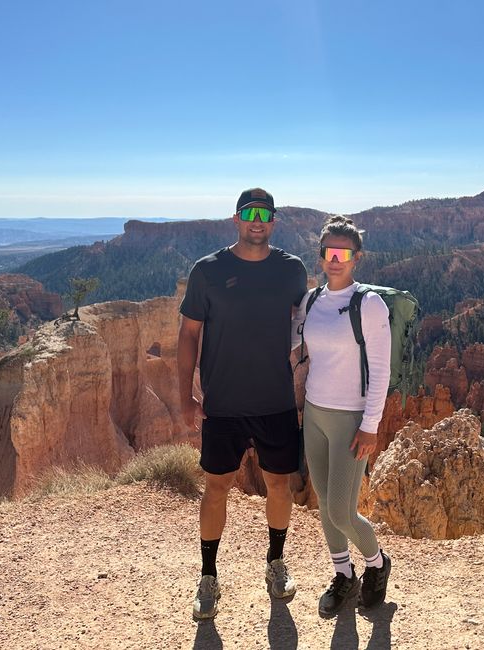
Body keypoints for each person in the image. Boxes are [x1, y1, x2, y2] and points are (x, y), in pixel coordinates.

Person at [178, 188, 308, 620]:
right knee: (216, 489)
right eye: (249, 213)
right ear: (235, 219)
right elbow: (188, 335)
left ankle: (275, 564)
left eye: (265, 214)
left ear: (274, 221)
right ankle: (208, 576)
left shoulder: (292, 270)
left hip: (275, 401)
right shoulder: (207, 271)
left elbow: (312, 325)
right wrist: (185, 397)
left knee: (279, 486)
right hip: (224, 405)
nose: (257, 220)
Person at [293, 215, 392, 617]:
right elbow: (295, 343)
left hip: (351, 420)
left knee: (341, 510)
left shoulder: (368, 304)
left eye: (343, 253)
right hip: (315, 414)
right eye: (328, 252)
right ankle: (343, 575)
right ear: (320, 256)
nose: (335, 260)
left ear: (357, 258)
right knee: (323, 504)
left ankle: (376, 563)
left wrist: (370, 426)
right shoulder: (312, 300)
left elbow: (381, 369)